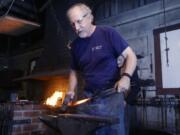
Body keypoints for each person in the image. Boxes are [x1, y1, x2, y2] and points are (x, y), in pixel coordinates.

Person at [65, 3, 137, 135]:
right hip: (89, 98)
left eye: (79, 21)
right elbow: (74, 71)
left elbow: (131, 56)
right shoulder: (75, 46)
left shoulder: (108, 33)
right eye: (72, 24)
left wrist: (126, 77)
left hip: (111, 95)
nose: (76, 27)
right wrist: (70, 91)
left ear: (90, 18)